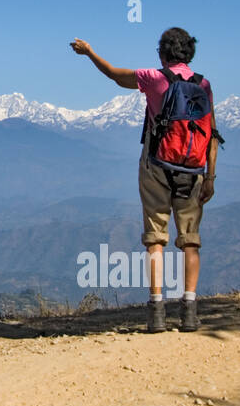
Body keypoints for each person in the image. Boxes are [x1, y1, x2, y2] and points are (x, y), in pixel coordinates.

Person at [69, 28, 219, 333]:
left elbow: (114, 74)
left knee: (156, 240)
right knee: (190, 241)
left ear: (162, 53)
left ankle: (156, 313)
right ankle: (189, 312)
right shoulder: (204, 85)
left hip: (156, 168)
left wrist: (89, 53)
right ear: (189, 54)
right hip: (193, 171)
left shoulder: (153, 78)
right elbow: (211, 135)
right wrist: (210, 177)